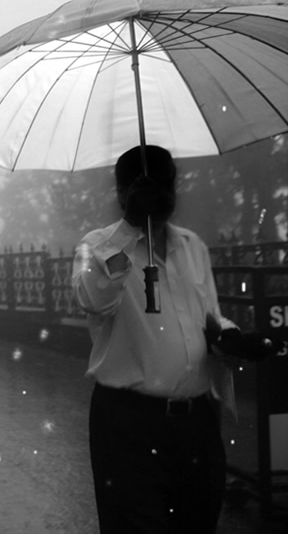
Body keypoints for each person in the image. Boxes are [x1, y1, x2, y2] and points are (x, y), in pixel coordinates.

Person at [72, 145, 239, 534]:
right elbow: (90, 298)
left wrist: (230, 336)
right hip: (128, 424)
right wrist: (131, 229)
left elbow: (209, 316)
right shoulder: (94, 246)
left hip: (196, 422)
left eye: (166, 185)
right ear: (121, 193)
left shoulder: (192, 246)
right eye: (146, 187)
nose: (161, 195)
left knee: (198, 522)